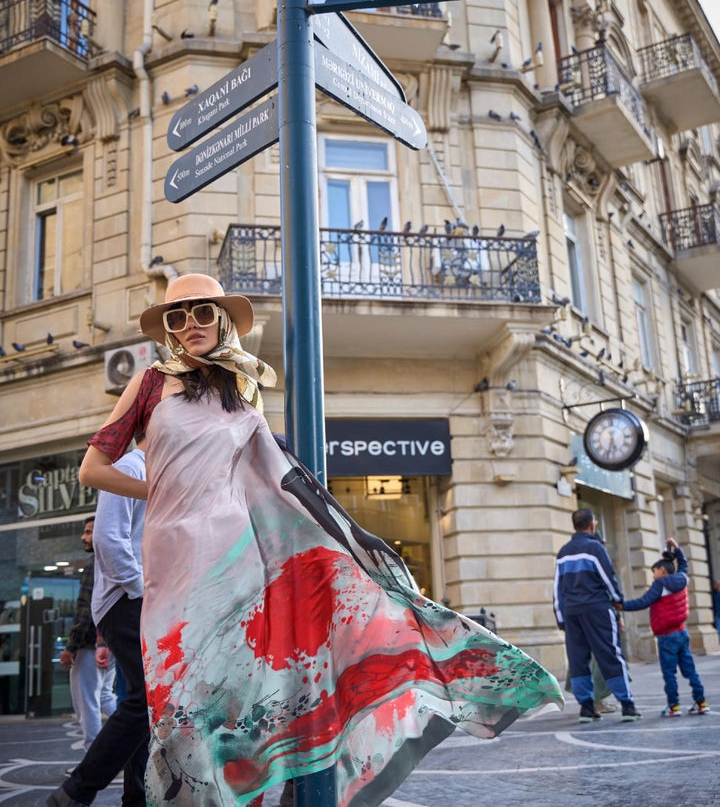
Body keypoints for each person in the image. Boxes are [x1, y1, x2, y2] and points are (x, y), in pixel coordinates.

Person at [63, 273, 562, 807]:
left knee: (238, 694)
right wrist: (159, 488)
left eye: (202, 312)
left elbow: (277, 474)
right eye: (177, 316)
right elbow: (92, 469)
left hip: (236, 558)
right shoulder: (151, 384)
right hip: (173, 556)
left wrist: (348, 532)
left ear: (223, 318)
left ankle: (263, 791)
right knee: (178, 696)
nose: (190, 325)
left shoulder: (243, 389)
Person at [48, 442, 148, 807]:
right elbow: (109, 539)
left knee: (148, 705)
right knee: (142, 700)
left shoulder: (160, 469)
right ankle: (78, 791)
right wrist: (143, 590)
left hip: (143, 602)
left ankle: (134, 795)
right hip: (129, 602)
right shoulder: (131, 466)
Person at [554, 507, 640, 723]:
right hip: (597, 609)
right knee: (610, 654)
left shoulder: (563, 552)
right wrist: (618, 600)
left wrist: (561, 618)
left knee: (578, 660)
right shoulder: (595, 549)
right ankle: (627, 706)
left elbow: (557, 588)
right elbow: (608, 578)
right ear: (592, 524)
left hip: (572, 613)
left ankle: (587, 709)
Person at [618, 538, 709, 717]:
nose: (653, 575)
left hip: (666, 636)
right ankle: (701, 702)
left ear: (662, 570)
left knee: (669, 673)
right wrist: (678, 549)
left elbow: (643, 601)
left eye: (654, 571)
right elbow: (684, 565)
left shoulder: (661, 585)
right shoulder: (682, 578)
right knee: (690, 670)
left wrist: (623, 606)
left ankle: (673, 706)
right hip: (682, 632)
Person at [59, 518, 117, 755]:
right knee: (104, 696)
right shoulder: (111, 561)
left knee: (87, 703)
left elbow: (86, 609)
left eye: (88, 532)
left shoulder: (96, 564)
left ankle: (92, 758)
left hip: (90, 645)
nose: (83, 537)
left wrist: (70, 647)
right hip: (109, 643)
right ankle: (138, 740)